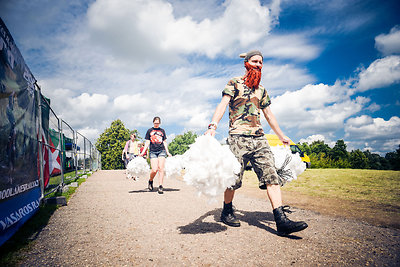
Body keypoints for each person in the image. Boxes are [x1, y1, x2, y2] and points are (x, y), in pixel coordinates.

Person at [205, 50, 308, 236]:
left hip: (259, 138)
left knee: (271, 176)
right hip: (238, 137)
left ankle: (281, 221)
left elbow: (269, 115)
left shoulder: (261, 90)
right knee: (233, 179)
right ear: (246, 63)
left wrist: (282, 135)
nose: (258, 65)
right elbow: (222, 104)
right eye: (255, 61)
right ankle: (227, 210)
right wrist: (212, 126)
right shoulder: (234, 82)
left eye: (261, 62)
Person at [140, 116, 172, 194]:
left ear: (160, 123)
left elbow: (164, 142)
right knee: (154, 170)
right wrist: (143, 152)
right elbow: (147, 142)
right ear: (153, 122)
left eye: (158, 123)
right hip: (153, 152)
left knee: (161, 168)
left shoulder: (162, 131)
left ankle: (160, 186)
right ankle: (150, 181)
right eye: (155, 123)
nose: (156, 124)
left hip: (162, 151)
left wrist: (167, 152)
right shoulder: (149, 131)